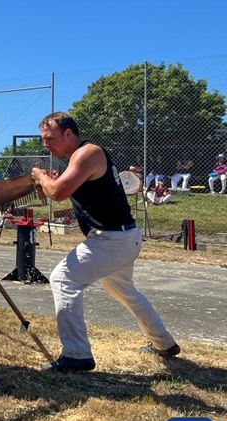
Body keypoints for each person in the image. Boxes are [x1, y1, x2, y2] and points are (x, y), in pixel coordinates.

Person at [31, 112, 179, 373]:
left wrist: (41, 177)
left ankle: (77, 355)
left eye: (50, 138)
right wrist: (48, 183)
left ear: (68, 133)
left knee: (63, 279)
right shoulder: (78, 158)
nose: (46, 145)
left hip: (112, 239)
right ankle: (164, 343)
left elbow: (59, 192)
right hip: (119, 238)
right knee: (123, 291)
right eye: (43, 140)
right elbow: (61, 190)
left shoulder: (88, 153)